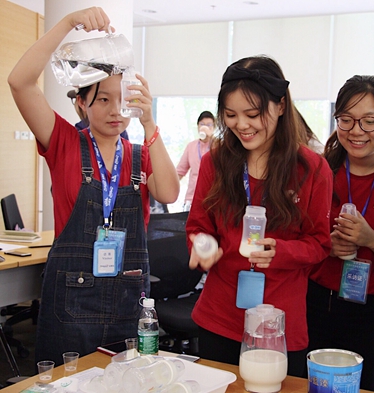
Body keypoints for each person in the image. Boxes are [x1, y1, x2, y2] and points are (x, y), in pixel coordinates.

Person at [8, 7, 179, 367]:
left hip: (128, 303)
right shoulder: (64, 143)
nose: (116, 110)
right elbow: (19, 81)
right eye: (103, 99)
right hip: (70, 307)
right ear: (81, 102)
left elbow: (169, 193)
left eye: (123, 99)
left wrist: (149, 123)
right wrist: (69, 24)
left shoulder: (139, 155)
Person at [185, 55, 333, 377]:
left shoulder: (312, 169)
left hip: (278, 322)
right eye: (231, 115)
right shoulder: (217, 162)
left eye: (253, 114)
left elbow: (320, 243)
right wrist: (201, 244)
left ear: (281, 106)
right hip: (219, 315)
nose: (242, 125)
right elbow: (198, 225)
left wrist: (282, 251)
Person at [306, 75, 374, 391]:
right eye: (347, 120)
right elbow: (295, 241)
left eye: (369, 122)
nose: (356, 131)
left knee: (362, 387)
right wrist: (326, 247)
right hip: (317, 301)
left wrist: (371, 240)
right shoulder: (319, 172)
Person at [176, 111, 216, 208]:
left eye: (209, 125)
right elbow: (180, 172)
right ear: (198, 126)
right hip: (192, 198)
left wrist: (211, 137)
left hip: (213, 198)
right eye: (202, 124)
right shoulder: (191, 146)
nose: (205, 127)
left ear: (214, 127)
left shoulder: (218, 145)